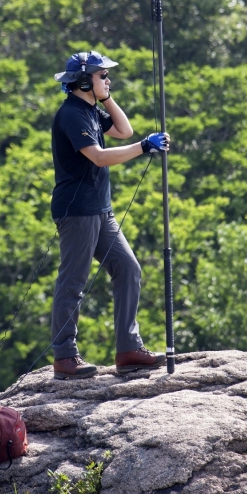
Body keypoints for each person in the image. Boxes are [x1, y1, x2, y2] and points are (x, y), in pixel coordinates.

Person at [50, 50, 170, 379]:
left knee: (128, 268)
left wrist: (106, 98)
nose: (108, 79)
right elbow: (99, 157)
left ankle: (129, 349)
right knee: (73, 281)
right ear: (85, 80)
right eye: (102, 76)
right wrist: (146, 148)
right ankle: (65, 357)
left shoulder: (89, 109)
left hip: (101, 209)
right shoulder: (72, 114)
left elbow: (124, 130)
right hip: (78, 211)